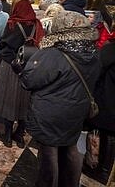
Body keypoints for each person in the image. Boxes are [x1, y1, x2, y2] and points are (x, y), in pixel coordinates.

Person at [20, 11, 100, 187]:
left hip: (50, 112)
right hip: (77, 111)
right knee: (70, 148)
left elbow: (29, 80)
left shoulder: (53, 53)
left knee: (48, 154)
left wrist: (23, 67)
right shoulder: (94, 52)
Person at [0, 0, 45, 148]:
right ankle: (20, 135)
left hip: (11, 66)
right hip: (30, 67)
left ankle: (7, 136)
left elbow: (5, 46)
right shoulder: (37, 24)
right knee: (25, 101)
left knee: (8, 99)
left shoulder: (12, 24)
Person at [91, 32, 115, 181]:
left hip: (108, 97)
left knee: (107, 134)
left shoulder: (110, 50)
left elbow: (96, 70)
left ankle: (103, 169)